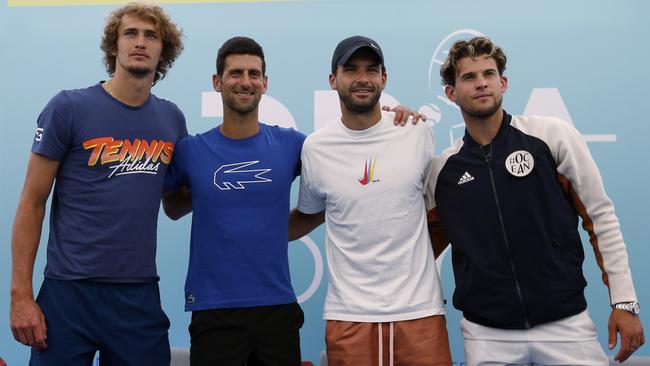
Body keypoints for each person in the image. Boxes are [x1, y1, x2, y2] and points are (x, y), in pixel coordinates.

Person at [163, 36, 421, 366]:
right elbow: (172, 208)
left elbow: (345, 167)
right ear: (217, 82)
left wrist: (391, 120)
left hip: (277, 309)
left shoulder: (293, 145)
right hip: (213, 310)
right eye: (235, 73)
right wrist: (213, 192)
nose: (245, 82)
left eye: (254, 74)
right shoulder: (191, 151)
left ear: (265, 83)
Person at [426, 36, 645, 365]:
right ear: (451, 93)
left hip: (566, 325)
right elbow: (417, 250)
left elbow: (601, 218)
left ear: (503, 82)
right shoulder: (443, 170)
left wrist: (624, 304)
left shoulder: (551, 137)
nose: (481, 83)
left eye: (488, 74)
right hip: (486, 335)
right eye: (468, 77)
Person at [9, 3, 186, 365]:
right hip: (68, 291)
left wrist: (223, 181)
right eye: (131, 33)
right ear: (113, 46)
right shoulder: (69, 108)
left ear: (162, 50)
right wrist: (21, 296)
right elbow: (32, 201)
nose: (140, 42)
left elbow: (175, 203)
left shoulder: (171, 119)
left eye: (151, 36)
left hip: (137, 294)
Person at [289, 35, 452, 366]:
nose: (362, 78)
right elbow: (310, 214)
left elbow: (433, 208)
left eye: (371, 69)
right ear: (333, 80)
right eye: (351, 69)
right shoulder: (316, 147)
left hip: (419, 311)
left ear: (384, 78)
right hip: (349, 315)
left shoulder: (417, 131)